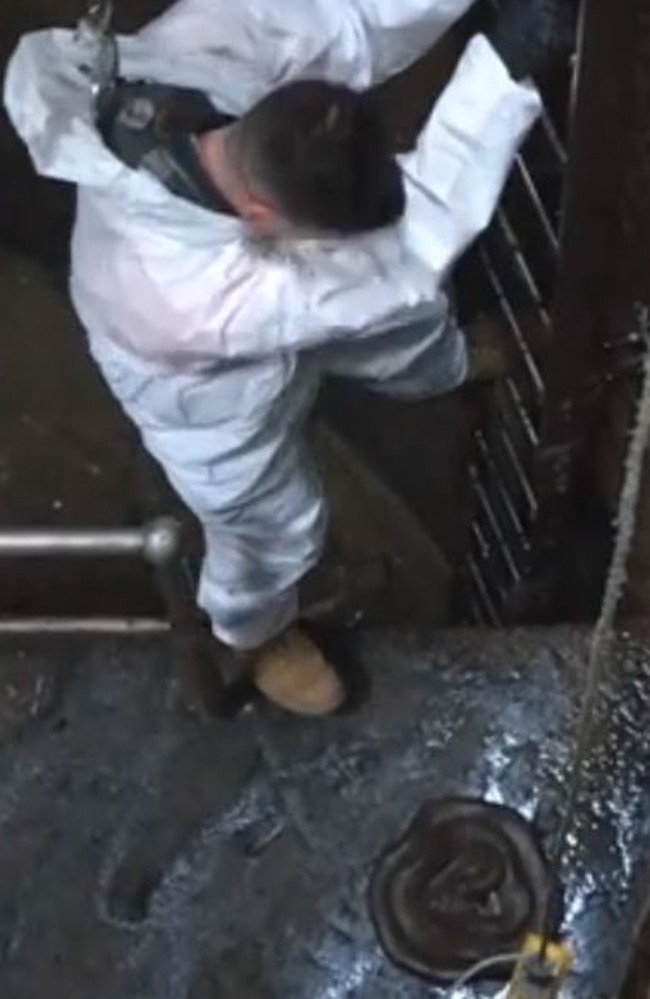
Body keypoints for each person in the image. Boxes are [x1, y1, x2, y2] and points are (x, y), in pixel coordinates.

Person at [5, 0, 573, 717]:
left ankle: (449, 364)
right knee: (271, 523)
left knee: (403, 326)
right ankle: (256, 631)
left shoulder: (190, 59)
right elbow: (405, 255)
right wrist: (504, 70)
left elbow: (344, 20)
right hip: (202, 396)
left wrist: (508, 22)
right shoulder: (195, 292)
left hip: (281, 293)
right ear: (265, 221)